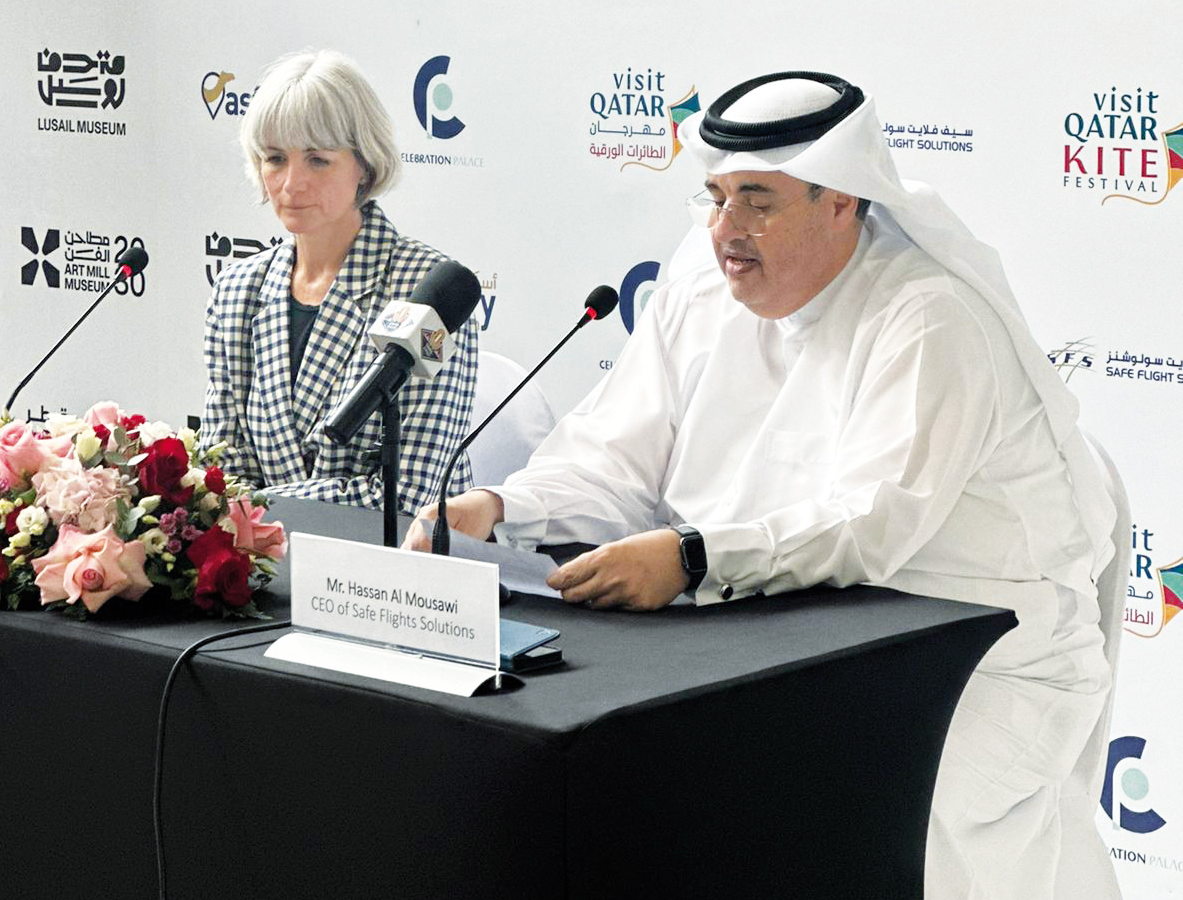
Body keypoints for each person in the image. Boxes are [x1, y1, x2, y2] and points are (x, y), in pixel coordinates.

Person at [404, 72, 1121, 900]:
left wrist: (694, 556)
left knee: (820, 811)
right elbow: (614, 456)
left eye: (757, 200)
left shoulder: (929, 316)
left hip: (973, 660)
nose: (726, 230)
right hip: (769, 636)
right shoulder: (704, 285)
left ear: (843, 200)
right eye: (714, 197)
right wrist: (501, 509)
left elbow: (868, 524)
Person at [201, 49, 477, 514]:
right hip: (264, 565)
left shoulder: (430, 290)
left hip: (400, 570)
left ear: (364, 166)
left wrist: (255, 509)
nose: (291, 184)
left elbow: (406, 497)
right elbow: (221, 472)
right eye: (274, 159)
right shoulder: (236, 290)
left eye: (318, 160)